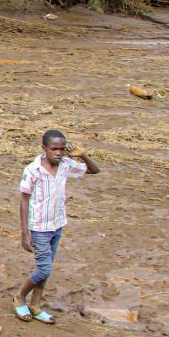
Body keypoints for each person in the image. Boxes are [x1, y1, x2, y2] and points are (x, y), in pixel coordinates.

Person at [14, 129, 99, 323]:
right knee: (44, 269)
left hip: (57, 224)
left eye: (62, 149)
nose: (58, 153)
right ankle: (20, 297)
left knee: (47, 267)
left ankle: (36, 305)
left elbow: (94, 170)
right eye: (54, 149)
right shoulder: (33, 170)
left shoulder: (66, 165)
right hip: (39, 227)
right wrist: (25, 233)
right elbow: (24, 200)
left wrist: (82, 154)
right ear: (44, 148)